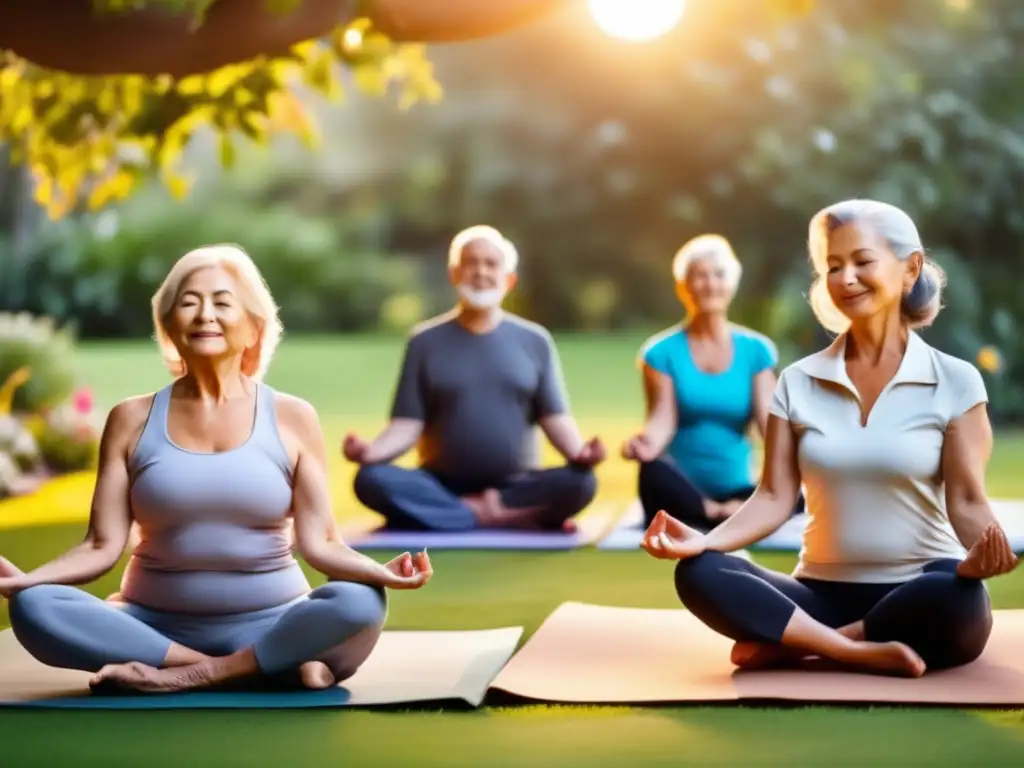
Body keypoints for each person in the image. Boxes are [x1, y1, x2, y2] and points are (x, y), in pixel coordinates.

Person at [0, 244, 433, 694]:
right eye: (189, 303)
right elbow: (101, 545)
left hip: (275, 620)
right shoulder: (131, 419)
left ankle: (203, 674)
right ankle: (265, 667)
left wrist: (378, 572)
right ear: (168, 326)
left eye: (222, 303)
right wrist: (28, 582)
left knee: (358, 603)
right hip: (153, 627)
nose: (205, 314)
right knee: (35, 607)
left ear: (253, 328)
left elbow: (322, 543)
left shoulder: (292, 416)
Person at [642, 199, 1017, 677]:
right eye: (832, 266)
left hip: (918, 588)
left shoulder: (957, 381)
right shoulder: (797, 381)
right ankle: (856, 651)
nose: (846, 278)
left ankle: (802, 646)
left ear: (910, 268)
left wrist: (989, 550)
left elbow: (966, 500)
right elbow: (774, 497)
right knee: (701, 571)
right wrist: (705, 543)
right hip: (817, 592)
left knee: (958, 596)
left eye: (862, 262)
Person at [346, 225, 602, 532]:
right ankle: (500, 515)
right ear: (454, 273)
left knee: (581, 482)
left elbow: (555, 418)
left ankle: (458, 516)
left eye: (491, 264)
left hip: (516, 486)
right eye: (471, 262)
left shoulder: (536, 340)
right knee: (370, 479)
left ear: (509, 279)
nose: (480, 271)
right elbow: (406, 424)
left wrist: (580, 453)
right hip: (441, 485)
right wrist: (370, 453)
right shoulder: (423, 342)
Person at [622, 234, 802, 529]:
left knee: (795, 487)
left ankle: (733, 509)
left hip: (739, 489)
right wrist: (646, 444)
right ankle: (713, 511)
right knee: (651, 469)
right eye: (700, 276)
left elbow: (767, 422)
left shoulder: (756, 350)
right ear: (683, 287)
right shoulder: (660, 352)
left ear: (732, 284)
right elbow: (662, 418)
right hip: (681, 491)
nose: (710, 284)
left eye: (719, 275)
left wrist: (795, 460)